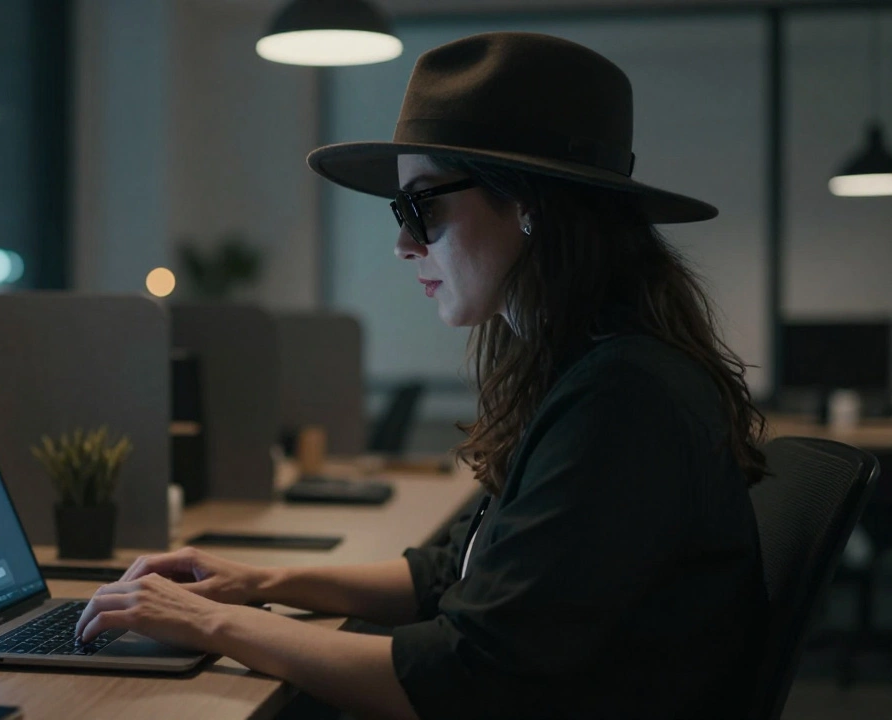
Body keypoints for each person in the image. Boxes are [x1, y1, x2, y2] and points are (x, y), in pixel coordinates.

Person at [75, 32, 768, 719]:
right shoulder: (590, 368)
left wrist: (209, 624)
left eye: (422, 206)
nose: (405, 244)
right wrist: (258, 581)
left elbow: (464, 677)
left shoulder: (623, 401)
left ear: (530, 205)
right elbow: (450, 572)